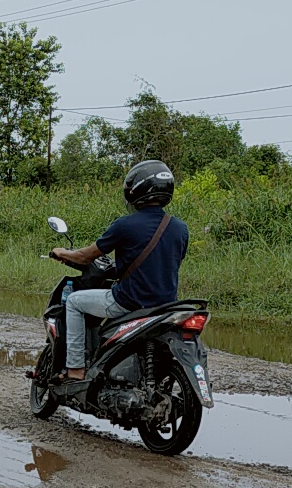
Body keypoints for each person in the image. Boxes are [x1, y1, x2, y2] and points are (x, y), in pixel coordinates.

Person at [49, 160, 189, 381]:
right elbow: (164, 263)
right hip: (165, 306)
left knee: (74, 301)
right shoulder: (180, 228)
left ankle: (75, 369)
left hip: (128, 301)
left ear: (136, 189)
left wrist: (62, 252)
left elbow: (86, 256)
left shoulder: (125, 224)